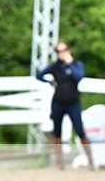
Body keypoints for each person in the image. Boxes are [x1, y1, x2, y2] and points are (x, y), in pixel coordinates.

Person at [36, 41, 95, 170]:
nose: (62, 53)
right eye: (59, 51)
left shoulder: (76, 64)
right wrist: (50, 81)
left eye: (64, 50)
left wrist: (70, 63)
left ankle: (91, 162)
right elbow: (39, 75)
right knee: (57, 132)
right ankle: (59, 163)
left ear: (68, 51)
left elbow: (79, 76)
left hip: (73, 103)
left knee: (80, 131)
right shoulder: (54, 66)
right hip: (58, 102)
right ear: (56, 53)